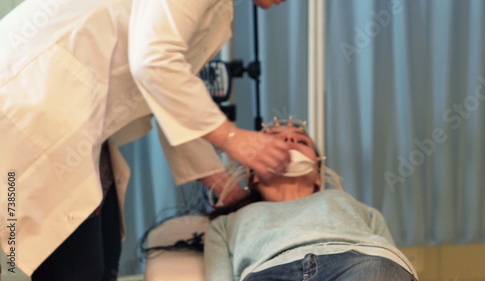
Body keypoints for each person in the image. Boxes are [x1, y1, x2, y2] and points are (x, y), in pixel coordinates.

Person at [0, 0, 291, 279]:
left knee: (100, 258)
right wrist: (232, 138)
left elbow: (171, 100)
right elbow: (154, 63)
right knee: (79, 267)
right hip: (30, 105)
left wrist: (226, 190)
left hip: (70, 118)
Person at [204, 117, 419, 281]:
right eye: (276, 139)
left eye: (301, 141)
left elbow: (393, 261)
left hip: (358, 263)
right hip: (267, 271)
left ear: (317, 175)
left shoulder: (351, 205)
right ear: (255, 175)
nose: (289, 140)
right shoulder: (227, 223)